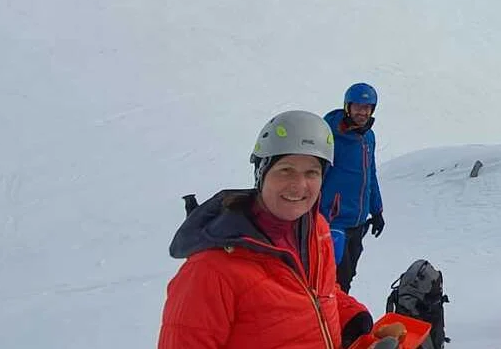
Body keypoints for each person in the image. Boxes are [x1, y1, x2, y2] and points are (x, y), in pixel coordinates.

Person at [158, 110, 376, 349]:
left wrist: (349, 316)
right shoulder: (209, 270)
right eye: (286, 170)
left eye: (312, 172)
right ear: (261, 173)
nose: (299, 186)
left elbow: (315, 292)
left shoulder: (316, 229)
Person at [321, 82, 385, 292]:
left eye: (367, 107)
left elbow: (370, 174)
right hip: (332, 223)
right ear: (348, 106)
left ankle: (339, 320)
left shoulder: (368, 137)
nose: (362, 112)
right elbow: (316, 177)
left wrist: (376, 210)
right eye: (358, 106)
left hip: (357, 223)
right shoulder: (330, 136)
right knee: (330, 280)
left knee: (347, 277)